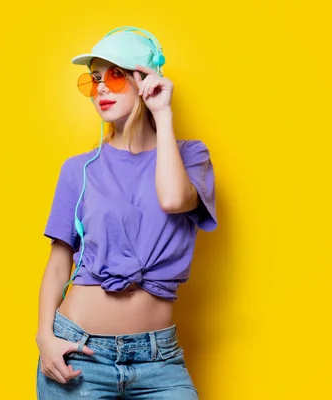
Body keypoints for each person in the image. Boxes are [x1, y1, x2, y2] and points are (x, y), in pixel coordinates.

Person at [35, 26, 217, 399]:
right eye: (95, 79)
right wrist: (44, 338)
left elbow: (172, 200)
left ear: (146, 81)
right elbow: (58, 263)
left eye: (115, 76)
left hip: (159, 361)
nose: (101, 88)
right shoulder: (79, 169)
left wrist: (162, 114)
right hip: (78, 353)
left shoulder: (190, 156)